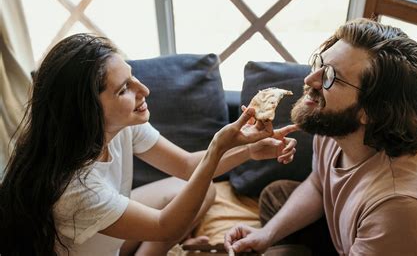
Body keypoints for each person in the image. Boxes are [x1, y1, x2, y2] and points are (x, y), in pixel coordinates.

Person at [0, 33, 298, 256]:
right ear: (87, 110)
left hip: (103, 234)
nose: (144, 90)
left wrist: (248, 150)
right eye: (124, 89)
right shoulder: (75, 189)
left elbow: (187, 166)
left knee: (202, 188)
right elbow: (164, 226)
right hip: (95, 237)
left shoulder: (122, 126)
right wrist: (219, 146)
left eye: (133, 77)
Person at [224, 18, 417, 255]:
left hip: (389, 237)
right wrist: (267, 234)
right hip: (358, 238)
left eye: (331, 77)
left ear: (371, 111)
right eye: (320, 64)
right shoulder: (338, 125)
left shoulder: (399, 208)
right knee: (276, 194)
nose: (310, 79)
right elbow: (319, 184)